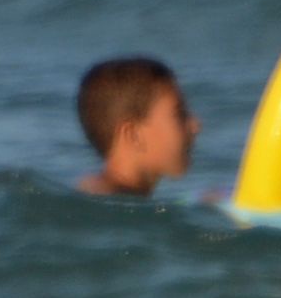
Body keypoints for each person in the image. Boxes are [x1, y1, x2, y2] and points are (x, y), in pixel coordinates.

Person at [74, 57, 198, 199]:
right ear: (133, 135)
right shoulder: (105, 197)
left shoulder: (115, 199)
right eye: (179, 114)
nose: (196, 125)